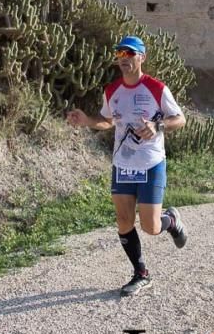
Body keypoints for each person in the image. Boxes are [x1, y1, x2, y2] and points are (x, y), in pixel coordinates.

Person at [65, 35, 188, 296]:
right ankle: (141, 273)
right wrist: (87, 120)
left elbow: (180, 119)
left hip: (151, 164)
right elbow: (107, 121)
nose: (124, 59)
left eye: (130, 54)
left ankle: (172, 220)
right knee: (123, 220)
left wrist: (158, 126)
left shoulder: (156, 88)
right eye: (120, 54)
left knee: (151, 227)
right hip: (122, 164)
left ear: (141, 57)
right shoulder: (112, 91)